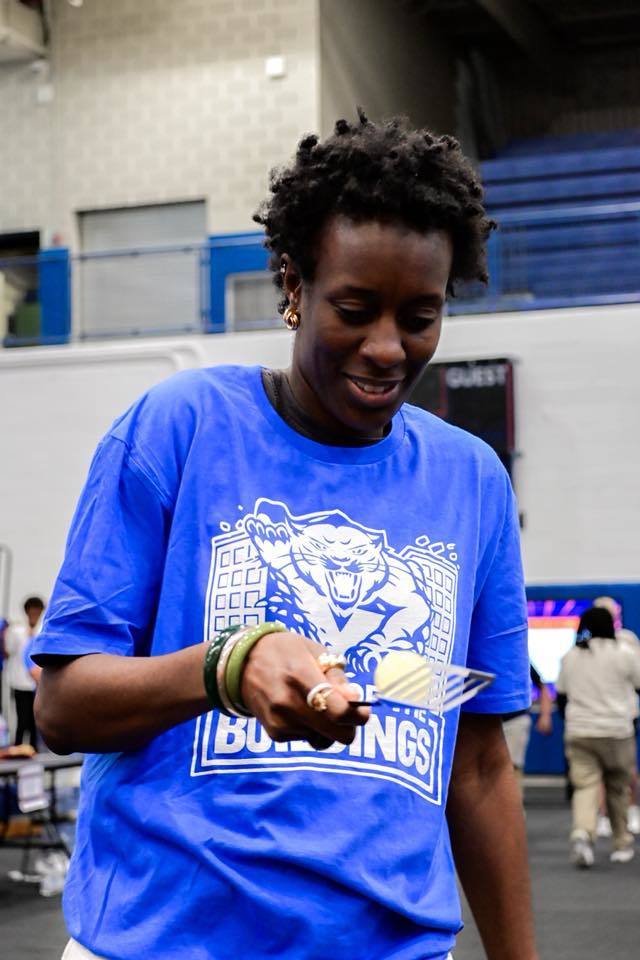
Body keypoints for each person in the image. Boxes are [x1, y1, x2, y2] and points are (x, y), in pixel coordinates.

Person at [33, 112, 536, 960]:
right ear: (293, 285)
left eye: (419, 317)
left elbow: (479, 766)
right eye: (354, 308)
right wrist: (226, 664)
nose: (386, 348)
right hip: (160, 944)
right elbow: (62, 706)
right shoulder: (178, 427)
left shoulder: (472, 479)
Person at [557, 606, 640, 868]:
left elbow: (561, 695)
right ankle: (622, 843)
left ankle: (583, 833)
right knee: (617, 788)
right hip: (617, 731)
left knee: (585, 786)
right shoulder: (625, 653)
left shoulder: (571, 656)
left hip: (580, 731)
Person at [594, 595, 640, 836]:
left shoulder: (628, 642)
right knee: (600, 770)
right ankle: (604, 815)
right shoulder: (585, 644)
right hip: (595, 718)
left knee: (627, 768)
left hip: (625, 716)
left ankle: (630, 809)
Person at [503, 665, 553, 795]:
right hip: (489, 720)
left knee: (513, 767)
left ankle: (513, 811)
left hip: (515, 720)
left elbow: (543, 688)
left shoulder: (518, 658)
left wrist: (545, 716)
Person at [4, 595, 44, 749]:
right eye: (31, 611)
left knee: (34, 723)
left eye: (37, 611)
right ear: (27, 612)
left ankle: (34, 755)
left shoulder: (42, 630)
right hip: (20, 683)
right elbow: (8, 651)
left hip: (37, 685)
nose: (34, 614)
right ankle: (17, 754)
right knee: (22, 721)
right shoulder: (16, 631)